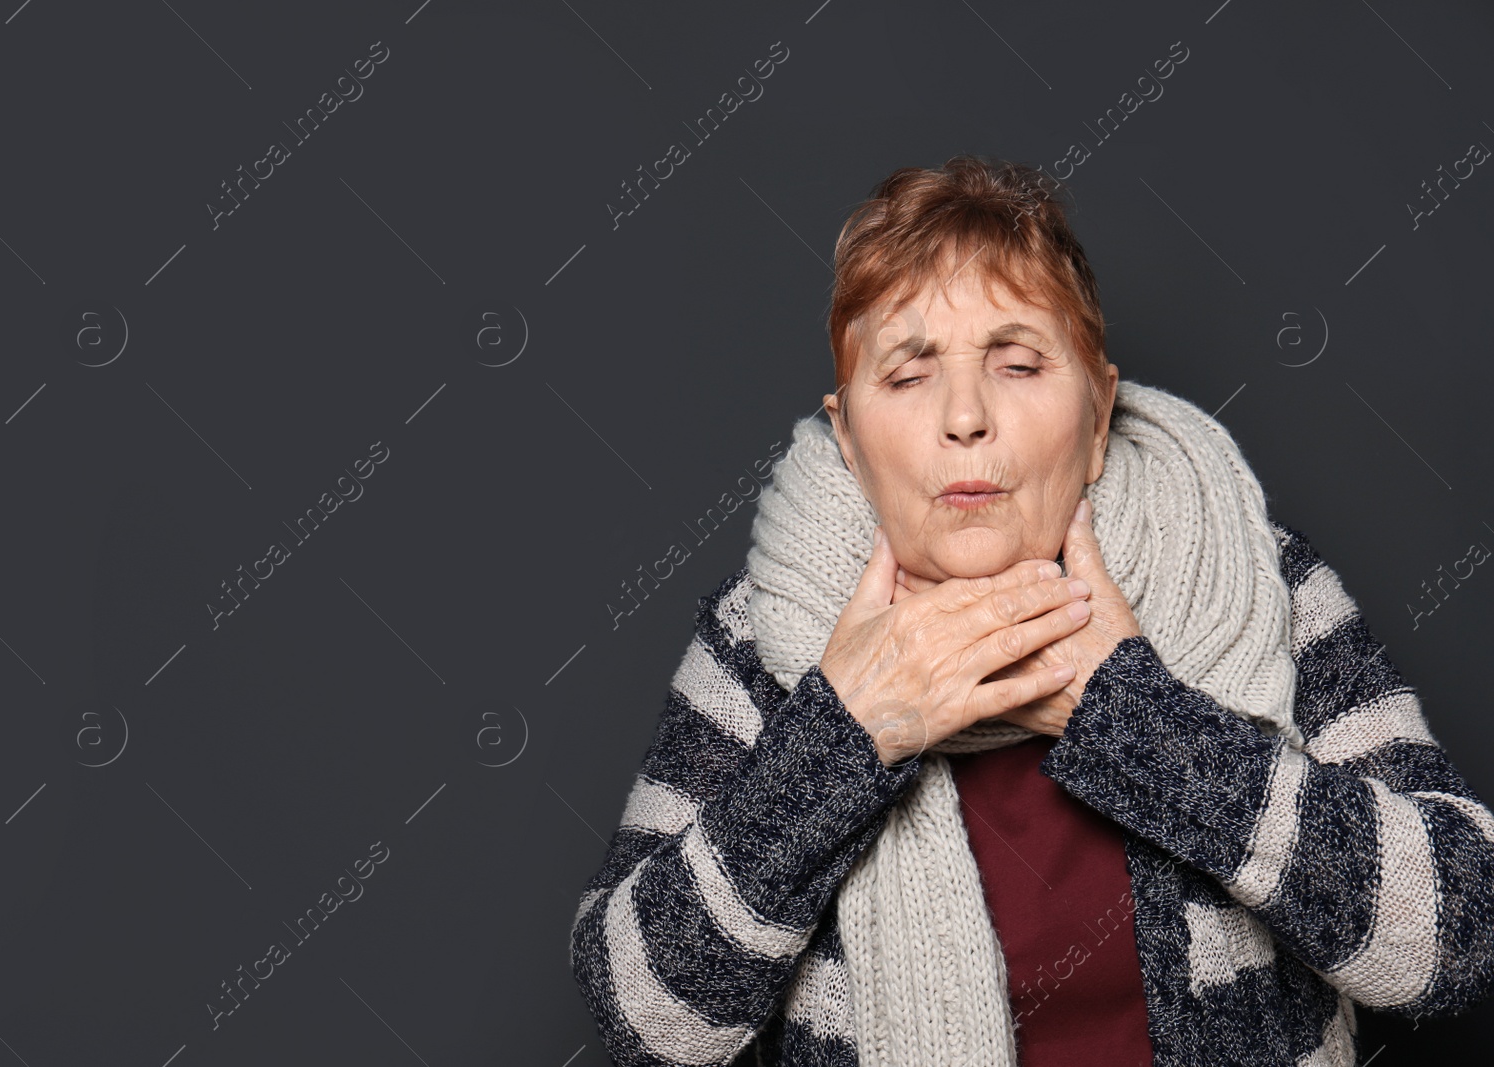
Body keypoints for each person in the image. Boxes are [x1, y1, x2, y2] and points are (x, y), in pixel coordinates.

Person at [568, 155, 1494, 1067]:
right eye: (906, 373)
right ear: (847, 436)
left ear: (1097, 420)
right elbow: (647, 1023)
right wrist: (845, 736)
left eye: (1016, 363)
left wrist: (1145, 722)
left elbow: (1461, 932)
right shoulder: (762, 637)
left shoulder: (1253, 573)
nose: (965, 416)